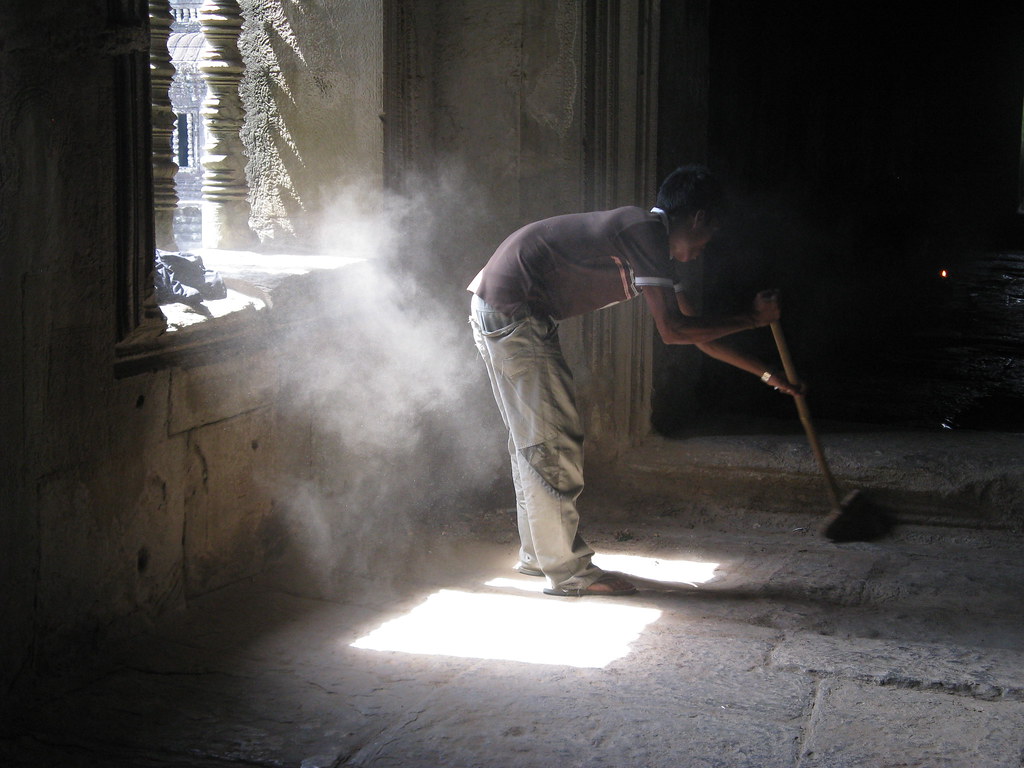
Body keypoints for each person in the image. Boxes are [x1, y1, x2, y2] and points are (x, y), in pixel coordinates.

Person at [467, 165, 802, 597]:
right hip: (513, 313)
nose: (702, 250)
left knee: (535, 439)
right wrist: (752, 319)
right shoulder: (643, 230)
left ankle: (541, 556)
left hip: (501, 308)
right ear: (698, 219)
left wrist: (769, 374)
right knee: (552, 441)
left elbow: (696, 333)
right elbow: (674, 331)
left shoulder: (650, 241)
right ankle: (567, 571)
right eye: (707, 237)